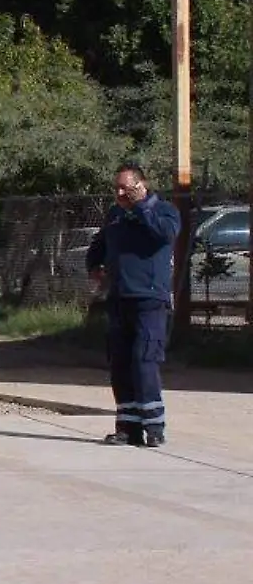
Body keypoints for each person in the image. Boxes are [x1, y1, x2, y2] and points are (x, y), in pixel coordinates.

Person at [85, 165, 183, 447]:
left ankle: (153, 426)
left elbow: (164, 235)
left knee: (144, 360)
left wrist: (141, 207)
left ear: (141, 186)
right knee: (120, 364)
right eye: (116, 187)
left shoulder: (163, 211)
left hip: (149, 300)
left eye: (125, 188)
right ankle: (127, 427)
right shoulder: (115, 215)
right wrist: (94, 264)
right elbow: (100, 242)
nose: (119, 193)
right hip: (119, 299)